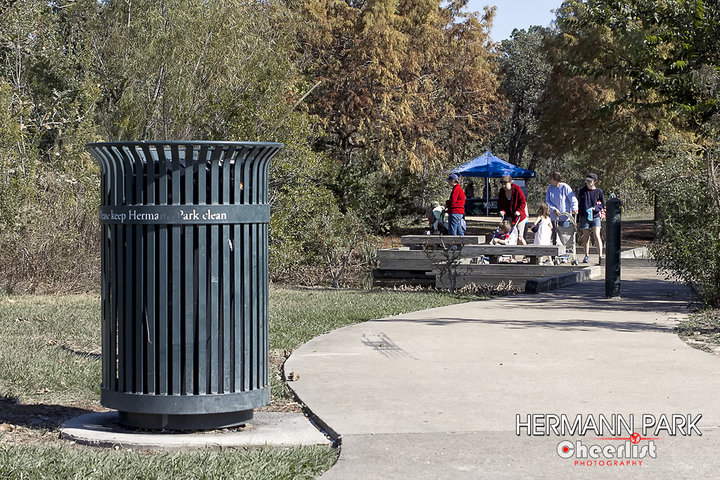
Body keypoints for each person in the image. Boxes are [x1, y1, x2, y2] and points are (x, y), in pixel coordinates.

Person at [545, 171, 578, 247]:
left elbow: (572, 198)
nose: (550, 180)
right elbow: (548, 201)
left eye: (551, 178)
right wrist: (554, 209)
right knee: (555, 236)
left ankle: (564, 256)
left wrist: (574, 208)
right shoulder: (550, 188)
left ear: (556, 179)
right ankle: (554, 256)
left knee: (563, 237)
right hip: (554, 217)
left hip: (564, 217)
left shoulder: (565, 187)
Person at [577, 172, 605, 263]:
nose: (588, 183)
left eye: (590, 181)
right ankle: (586, 255)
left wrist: (595, 208)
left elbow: (603, 204)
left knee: (597, 235)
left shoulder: (599, 191)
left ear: (595, 182)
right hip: (584, 217)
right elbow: (579, 205)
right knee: (586, 237)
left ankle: (600, 256)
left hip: (595, 216)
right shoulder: (582, 191)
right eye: (587, 181)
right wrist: (578, 218)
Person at [497, 175, 528, 245]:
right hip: (508, 217)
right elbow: (500, 204)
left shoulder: (517, 190)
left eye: (505, 183)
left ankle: (527, 253)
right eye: (502, 184)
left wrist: (519, 211)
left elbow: (523, 202)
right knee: (509, 236)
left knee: (519, 237)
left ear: (510, 182)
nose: (503, 186)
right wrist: (502, 211)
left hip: (519, 217)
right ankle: (512, 255)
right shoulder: (501, 191)